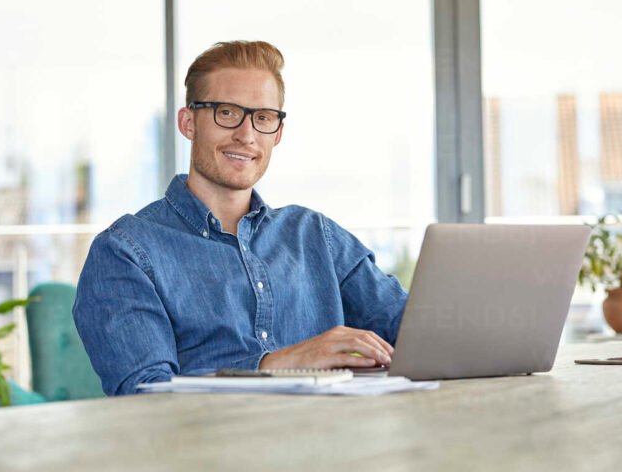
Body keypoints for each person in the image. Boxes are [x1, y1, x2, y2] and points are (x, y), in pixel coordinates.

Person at [73, 40, 408, 395]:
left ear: (277, 133)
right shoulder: (125, 251)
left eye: (263, 118)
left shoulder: (316, 235)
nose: (246, 135)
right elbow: (144, 394)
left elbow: (415, 330)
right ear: (188, 123)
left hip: (332, 440)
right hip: (208, 448)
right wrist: (281, 364)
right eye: (227, 113)